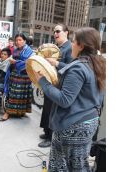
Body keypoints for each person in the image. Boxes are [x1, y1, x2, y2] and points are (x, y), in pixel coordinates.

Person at [33, 27, 106, 171]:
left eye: (73, 42)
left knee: (60, 165)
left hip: (72, 126)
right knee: (78, 164)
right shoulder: (98, 63)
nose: (71, 44)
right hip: (90, 122)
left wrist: (42, 81)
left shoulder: (78, 68)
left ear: (81, 45)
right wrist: (56, 65)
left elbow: (64, 99)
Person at [38, 23, 72, 148]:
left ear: (66, 32)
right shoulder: (57, 47)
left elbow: (72, 68)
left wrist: (56, 63)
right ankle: (46, 132)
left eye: (58, 31)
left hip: (60, 84)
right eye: (54, 32)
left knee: (53, 110)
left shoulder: (70, 48)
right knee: (47, 108)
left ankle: (50, 137)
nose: (55, 34)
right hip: (51, 81)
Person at [0, 33, 34, 121]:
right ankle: (8, 112)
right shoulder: (16, 50)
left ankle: (19, 112)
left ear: (24, 41)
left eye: (20, 40)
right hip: (14, 74)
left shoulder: (29, 51)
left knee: (21, 94)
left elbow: (28, 62)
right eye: (17, 40)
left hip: (24, 76)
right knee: (12, 93)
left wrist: (15, 62)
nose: (18, 42)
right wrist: (12, 61)